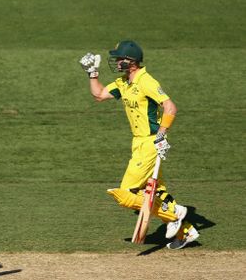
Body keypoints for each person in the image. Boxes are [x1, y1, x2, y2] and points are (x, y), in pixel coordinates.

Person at [79, 40, 199, 249]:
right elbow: (99, 95)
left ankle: (174, 213)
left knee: (126, 195)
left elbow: (170, 108)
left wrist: (161, 136)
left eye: (120, 59)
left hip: (150, 143)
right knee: (156, 191)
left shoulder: (146, 81)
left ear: (132, 62)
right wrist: (92, 72)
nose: (116, 62)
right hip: (138, 142)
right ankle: (186, 231)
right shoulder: (124, 82)